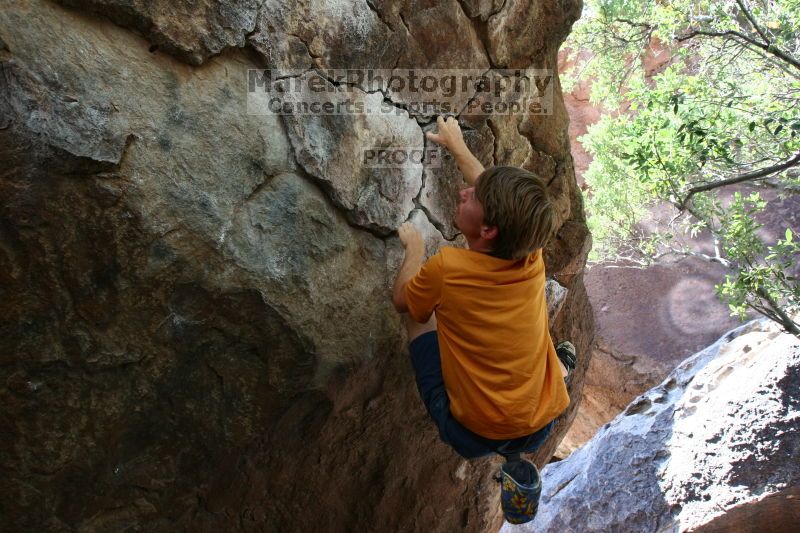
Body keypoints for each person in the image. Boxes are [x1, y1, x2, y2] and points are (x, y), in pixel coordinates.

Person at [391, 116, 576, 524]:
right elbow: (496, 198)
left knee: (420, 316)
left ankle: (557, 373)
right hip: (541, 418)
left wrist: (413, 250)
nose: (463, 191)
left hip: (470, 433)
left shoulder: (448, 268)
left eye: (470, 198)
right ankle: (555, 377)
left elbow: (402, 301)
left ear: (488, 229)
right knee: (536, 340)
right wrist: (457, 147)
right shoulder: (530, 254)